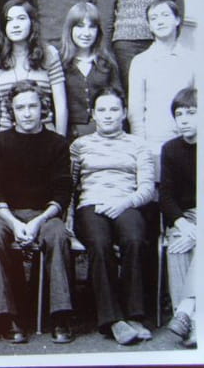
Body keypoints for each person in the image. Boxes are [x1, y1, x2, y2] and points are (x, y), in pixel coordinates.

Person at [0, 80, 73, 345]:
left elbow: (63, 191)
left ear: (43, 108)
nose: (27, 113)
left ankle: (60, 315)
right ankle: (7, 316)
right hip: (6, 214)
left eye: (33, 106)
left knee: (58, 235)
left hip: (45, 215)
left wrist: (38, 221)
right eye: (20, 108)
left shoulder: (57, 143)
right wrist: (13, 221)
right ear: (12, 111)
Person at [70, 87, 156, 345]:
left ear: (124, 113)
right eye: (102, 110)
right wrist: (68, 220)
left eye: (114, 109)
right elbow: (70, 187)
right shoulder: (80, 145)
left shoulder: (138, 145)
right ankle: (112, 320)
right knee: (99, 243)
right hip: (91, 205)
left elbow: (147, 188)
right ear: (93, 114)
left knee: (134, 239)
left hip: (126, 203)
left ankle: (134, 315)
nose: (108, 115)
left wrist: (123, 203)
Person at [0, 0, 67, 136]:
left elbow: (61, 105)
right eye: (9, 20)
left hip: (44, 136)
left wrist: (60, 142)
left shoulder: (49, 54)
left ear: (32, 23)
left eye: (21, 18)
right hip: (6, 137)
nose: (15, 25)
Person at [128, 0, 195, 153]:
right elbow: (135, 112)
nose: (160, 21)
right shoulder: (140, 62)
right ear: (150, 26)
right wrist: (141, 147)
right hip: (154, 141)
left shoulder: (192, 59)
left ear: (177, 20)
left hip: (188, 139)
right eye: (154, 18)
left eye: (165, 15)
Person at [160, 87, 197, 348]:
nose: (183, 119)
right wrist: (184, 225)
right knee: (177, 244)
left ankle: (186, 312)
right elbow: (166, 196)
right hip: (185, 218)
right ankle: (189, 321)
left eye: (191, 113)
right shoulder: (171, 149)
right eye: (179, 114)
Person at [59, 2, 122, 140]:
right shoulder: (60, 63)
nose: (86, 33)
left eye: (92, 27)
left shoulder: (107, 62)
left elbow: (118, 100)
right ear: (70, 29)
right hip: (71, 135)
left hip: (103, 135)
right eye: (80, 26)